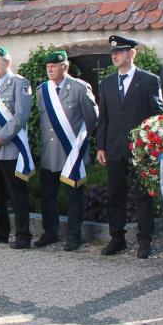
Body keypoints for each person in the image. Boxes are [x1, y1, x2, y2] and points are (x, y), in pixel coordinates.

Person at [97, 35, 163, 259]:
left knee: (143, 196)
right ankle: (117, 237)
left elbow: (158, 115)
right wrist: (101, 146)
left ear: (131, 53)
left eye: (119, 51)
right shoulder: (107, 83)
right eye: (112, 52)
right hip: (114, 148)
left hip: (140, 150)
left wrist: (153, 144)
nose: (114, 56)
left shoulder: (149, 80)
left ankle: (145, 240)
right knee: (115, 194)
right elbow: (104, 118)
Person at [34, 50, 99, 251]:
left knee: (74, 197)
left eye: (53, 66)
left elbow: (92, 118)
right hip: (50, 152)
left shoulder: (79, 88)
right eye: (48, 67)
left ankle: (73, 236)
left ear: (65, 67)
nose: (50, 70)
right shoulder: (42, 90)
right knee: (48, 196)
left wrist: (80, 141)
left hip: (73, 151)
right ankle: (50, 232)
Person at [0, 47, 34, 249]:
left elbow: (21, 116)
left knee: (16, 193)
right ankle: (0, 231)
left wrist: (0, 138)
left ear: (7, 62)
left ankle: (23, 234)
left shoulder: (20, 83)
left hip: (11, 148)